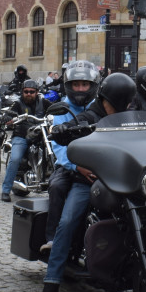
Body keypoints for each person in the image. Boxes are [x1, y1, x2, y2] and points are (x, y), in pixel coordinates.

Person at [35, 71, 136, 292]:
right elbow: (71, 127)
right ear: (104, 100)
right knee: (68, 221)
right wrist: (63, 132)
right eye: (115, 104)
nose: (119, 109)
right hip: (89, 179)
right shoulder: (90, 114)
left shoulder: (131, 116)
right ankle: (51, 283)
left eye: (125, 104)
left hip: (126, 178)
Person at [40, 60, 100, 260]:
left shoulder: (98, 106)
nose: (80, 88)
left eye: (84, 84)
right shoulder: (62, 109)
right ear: (69, 85)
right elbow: (59, 147)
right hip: (70, 165)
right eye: (76, 85)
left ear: (92, 86)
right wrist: (76, 166)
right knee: (57, 186)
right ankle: (52, 239)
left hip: (100, 162)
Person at [0, 79, 47, 202]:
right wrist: (8, 118)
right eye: (26, 92)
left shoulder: (43, 102)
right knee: (15, 159)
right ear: (22, 92)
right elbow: (9, 113)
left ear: (37, 92)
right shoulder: (18, 103)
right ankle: (5, 190)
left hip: (40, 135)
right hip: (21, 136)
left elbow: (56, 109)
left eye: (32, 92)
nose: (29, 94)